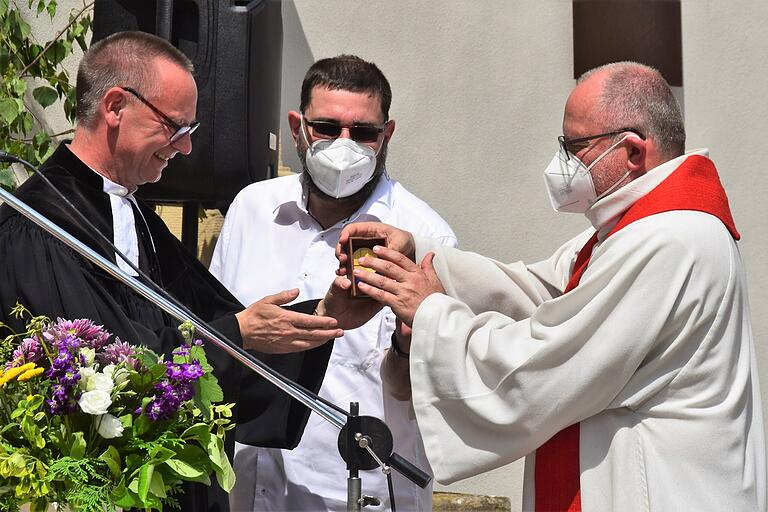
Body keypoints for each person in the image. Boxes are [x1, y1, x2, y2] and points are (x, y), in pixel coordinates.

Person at [338, 61, 766, 511]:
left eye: (574, 146)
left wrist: (430, 312)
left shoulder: (671, 239)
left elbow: (546, 365)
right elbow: (537, 289)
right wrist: (422, 259)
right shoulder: (631, 231)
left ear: (634, 153)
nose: (562, 163)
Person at [0, 31, 363, 512]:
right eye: (176, 128)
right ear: (115, 107)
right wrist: (237, 334)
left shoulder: (137, 218)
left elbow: (216, 323)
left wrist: (321, 315)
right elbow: (101, 371)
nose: (187, 148)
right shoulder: (37, 229)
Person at [210, 54, 457, 511]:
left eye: (363, 133)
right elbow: (216, 339)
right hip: (249, 488)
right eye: (326, 127)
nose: (345, 146)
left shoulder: (425, 237)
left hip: (357, 493)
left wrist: (409, 344)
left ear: (387, 135)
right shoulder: (250, 210)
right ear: (296, 127)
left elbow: (430, 392)